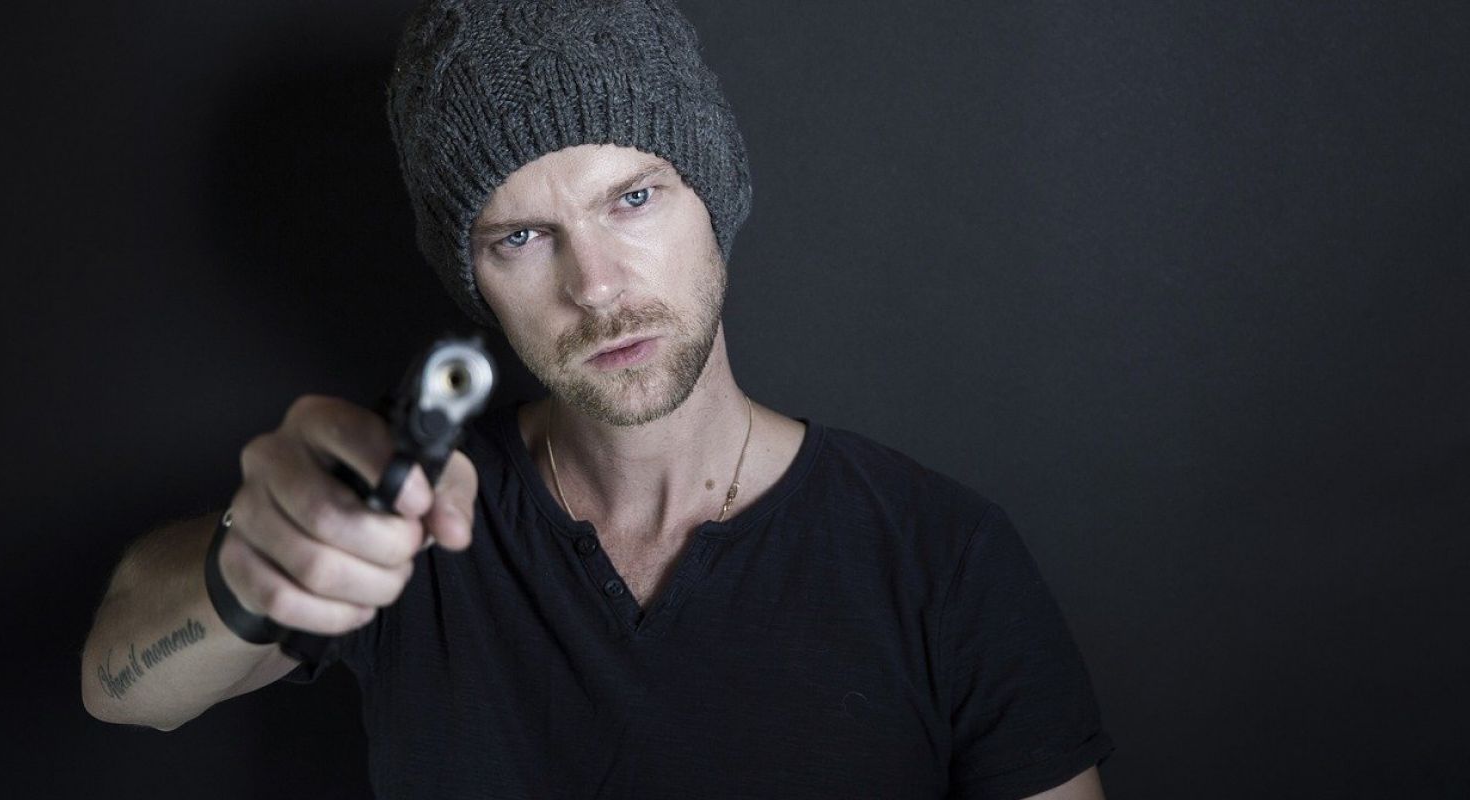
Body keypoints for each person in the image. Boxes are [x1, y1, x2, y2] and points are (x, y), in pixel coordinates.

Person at [81, 0, 1115, 797]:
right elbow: (118, 686)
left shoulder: (941, 557)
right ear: (474, 279)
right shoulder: (409, 518)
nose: (598, 286)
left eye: (633, 197)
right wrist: (251, 566)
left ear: (713, 198)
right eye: (523, 236)